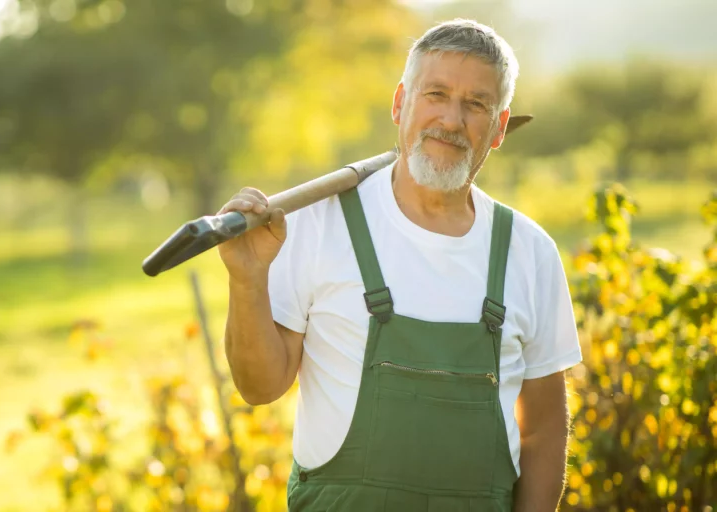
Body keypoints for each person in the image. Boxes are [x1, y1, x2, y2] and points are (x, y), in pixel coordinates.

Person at [218, 19, 582, 511]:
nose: (452, 120)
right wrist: (247, 279)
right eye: (435, 94)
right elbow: (258, 388)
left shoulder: (530, 252)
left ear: (498, 129)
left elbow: (542, 431)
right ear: (399, 103)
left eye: (476, 104)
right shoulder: (319, 224)